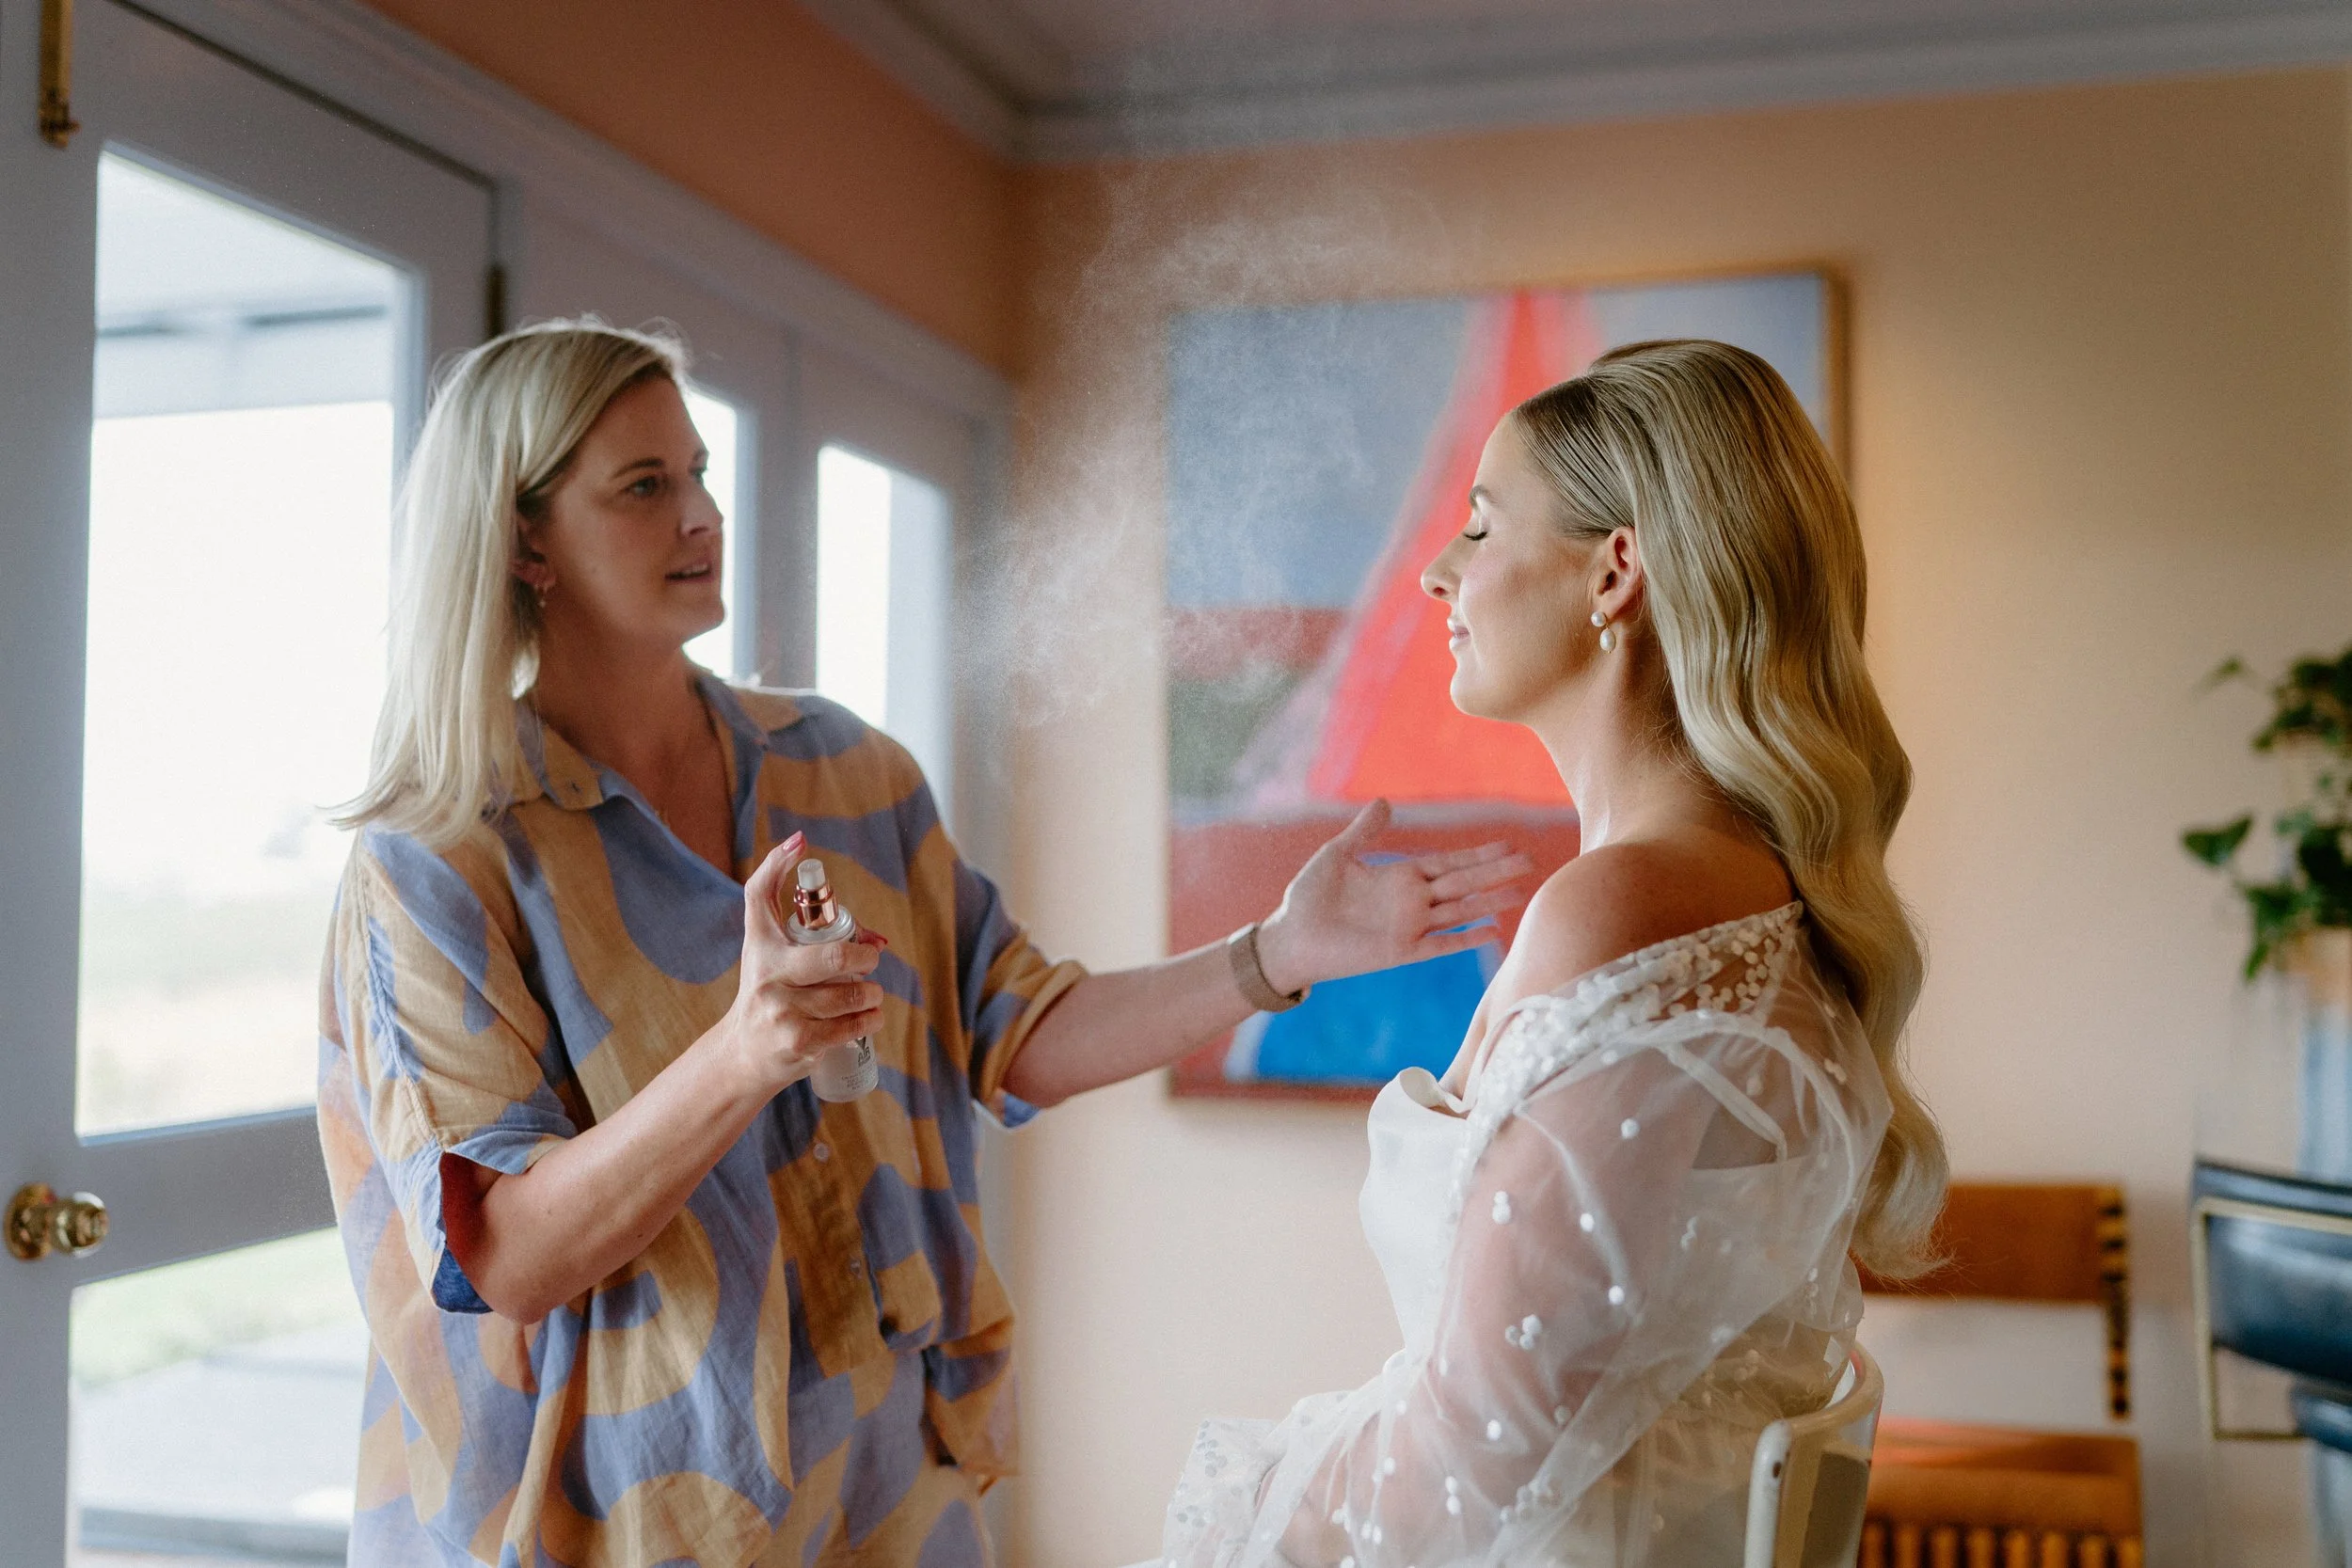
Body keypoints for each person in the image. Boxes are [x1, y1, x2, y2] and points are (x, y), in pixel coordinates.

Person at [316, 319, 1534, 1567]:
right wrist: (748, 1049)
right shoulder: (442, 859)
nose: (700, 516)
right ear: (525, 542)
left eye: (698, 474)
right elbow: (504, 1255)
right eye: (643, 488)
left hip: (891, 1488)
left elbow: (1018, 1031)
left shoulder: (843, 771)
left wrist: (1278, 950)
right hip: (623, 1524)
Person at [1156, 340, 1948, 1567]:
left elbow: (1480, 1444)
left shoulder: (1619, 905)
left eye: (1478, 528)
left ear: (1615, 570)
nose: (1433, 573)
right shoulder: (1763, 892)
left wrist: (1247, 1532)